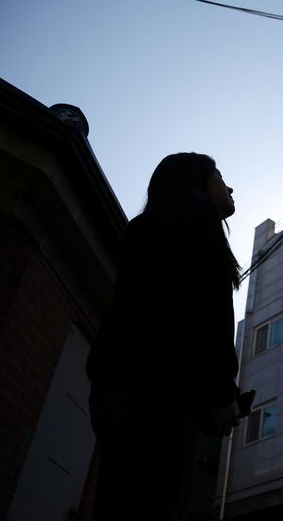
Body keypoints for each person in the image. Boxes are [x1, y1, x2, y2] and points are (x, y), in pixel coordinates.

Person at [86, 152, 246, 520]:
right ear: (198, 182)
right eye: (219, 176)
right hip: (161, 397)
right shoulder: (197, 218)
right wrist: (222, 393)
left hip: (116, 390)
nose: (230, 186)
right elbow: (204, 312)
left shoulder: (143, 228)